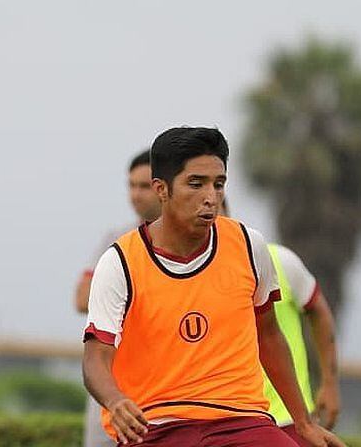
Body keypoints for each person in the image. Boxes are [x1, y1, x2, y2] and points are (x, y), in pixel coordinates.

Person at [83, 127, 344, 446]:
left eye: (218, 184)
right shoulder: (120, 261)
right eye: (196, 184)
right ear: (161, 189)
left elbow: (269, 335)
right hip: (157, 426)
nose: (211, 197)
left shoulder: (249, 245)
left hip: (241, 422)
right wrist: (115, 400)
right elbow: (95, 358)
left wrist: (303, 423)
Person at [218, 202, 342, 444]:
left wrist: (330, 383)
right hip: (228, 421)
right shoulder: (180, 274)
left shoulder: (277, 260)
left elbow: (319, 312)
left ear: (227, 211)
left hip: (288, 417)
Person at [75, 150, 161, 447]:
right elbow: (82, 298)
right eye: (131, 186)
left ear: (164, 187)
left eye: (144, 186)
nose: (135, 195)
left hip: (164, 384)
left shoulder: (192, 245)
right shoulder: (116, 240)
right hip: (111, 380)